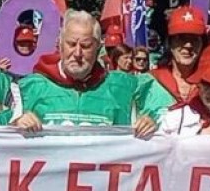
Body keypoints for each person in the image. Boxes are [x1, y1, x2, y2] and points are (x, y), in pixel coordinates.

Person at [13, 10, 170, 136]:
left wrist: (152, 120)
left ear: (97, 48)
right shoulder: (30, 87)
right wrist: (17, 124)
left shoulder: (124, 86)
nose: (78, 53)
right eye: (71, 44)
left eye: (86, 46)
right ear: (60, 45)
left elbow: (168, 111)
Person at [150, 6, 206, 102]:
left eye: (194, 39)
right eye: (181, 38)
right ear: (170, 43)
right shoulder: (149, 83)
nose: (188, 45)